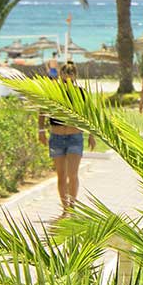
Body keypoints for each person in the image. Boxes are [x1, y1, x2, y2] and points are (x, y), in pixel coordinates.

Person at [39, 83, 98, 216]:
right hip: (56, 137)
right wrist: (41, 130)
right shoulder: (52, 90)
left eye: (71, 73)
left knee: (72, 174)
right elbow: (42, 109)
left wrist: (91, 135)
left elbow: (89, 113)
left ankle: (72, 207)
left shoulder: (80, 92)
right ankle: (65, 209)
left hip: (74, 137)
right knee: (61, 175)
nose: (68, 75)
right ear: (60, 74)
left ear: (75, 75)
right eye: (65, 73)